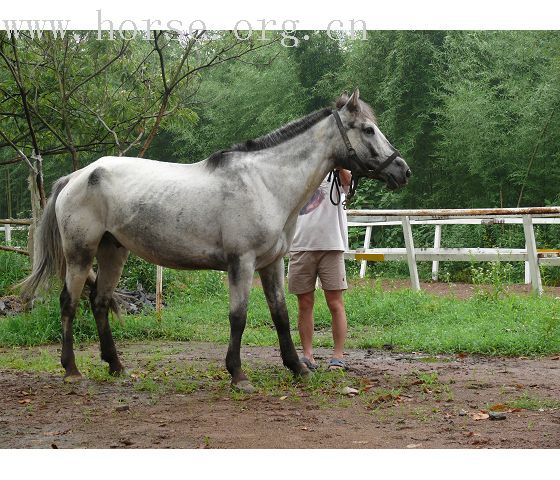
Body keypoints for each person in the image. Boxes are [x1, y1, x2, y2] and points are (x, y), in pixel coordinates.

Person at [288, 169, 352, 371]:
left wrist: (339, 165)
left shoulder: (336, 172)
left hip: (332, 245)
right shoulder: (297, 171)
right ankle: (308, 355)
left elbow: (348, 185)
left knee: (335, 303)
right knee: (304, 304)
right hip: (300, 244)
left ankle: (338, 355)